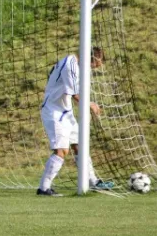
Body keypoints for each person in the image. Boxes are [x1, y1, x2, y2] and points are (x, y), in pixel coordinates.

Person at [37, 47, 114, 196]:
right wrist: (90, 104)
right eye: (94, 65)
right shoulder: (70, 65)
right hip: (54, 112)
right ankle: (44, 188)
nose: (92, 69)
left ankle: (93, 182)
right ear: (91, 59)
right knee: (61, 151)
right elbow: (74, 94)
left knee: (80, 146)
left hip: (65, 111)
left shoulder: (71, 62)